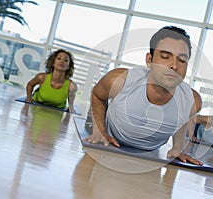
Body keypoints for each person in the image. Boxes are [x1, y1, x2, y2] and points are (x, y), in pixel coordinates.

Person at [84, 26, 203, 165]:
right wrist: (99, 130)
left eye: (182, 60)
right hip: (111, 133)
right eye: (165, 57)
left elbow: (181, 119)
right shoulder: (120, 80)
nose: (174, 66)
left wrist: (177, 148)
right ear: (149, 59)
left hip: (148, 150)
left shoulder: (193, 100)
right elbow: (97, 95)